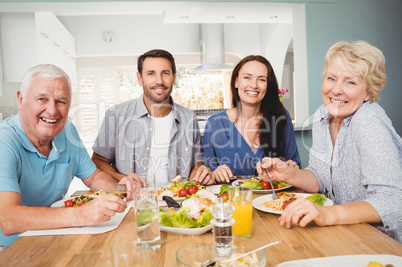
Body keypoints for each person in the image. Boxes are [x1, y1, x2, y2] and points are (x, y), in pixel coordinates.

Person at [257, 41, 402, 243]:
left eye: (350, 82)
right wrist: (289, 174)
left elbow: (393, 202)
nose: (336, 90)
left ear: (369, 91)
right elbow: (320, 178)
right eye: (331, 78)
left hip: (383, 244)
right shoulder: (322, 115)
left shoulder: (368, 120)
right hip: (346, 235)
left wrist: (327, 214)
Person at [0, 64, 137, 248]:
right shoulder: (4, 142)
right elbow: (8, 220)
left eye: (61, 101)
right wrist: (82, 214)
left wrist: (121, 190)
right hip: (10, 250)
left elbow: (94, 177)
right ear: (20, 99)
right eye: (42, 99)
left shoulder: (67, 131)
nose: (52, 110)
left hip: (53, 237)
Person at [92, 49, 214, 186]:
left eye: (165, 73)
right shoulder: (116, 115)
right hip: (132, 201)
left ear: (174, 78)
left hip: (177, 201)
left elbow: (196, 165)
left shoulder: (189, 118)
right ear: (140, 78)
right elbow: (98, 161)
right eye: (151, 74)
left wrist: (200, 174)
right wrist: (121, 178)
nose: (159, 81)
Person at [202, 55, 301, 183]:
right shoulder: (215, 124)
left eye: (261, 79)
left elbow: (295, 163)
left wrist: (292, 167)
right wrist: (214, 175)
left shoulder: (281, 117)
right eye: (247, 77)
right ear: (236, 82)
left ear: (268, 85)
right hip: (233, 201)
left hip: (273, 201)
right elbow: (209, 175)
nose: (254, 85)